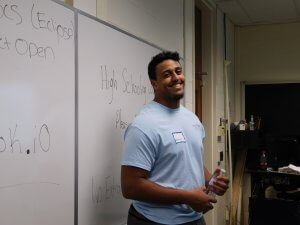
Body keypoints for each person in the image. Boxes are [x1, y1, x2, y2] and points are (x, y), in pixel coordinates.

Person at [121, 51, 229, 225]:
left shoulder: (192, 119)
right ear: (154, 84)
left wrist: (211, 181)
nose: (176, 77)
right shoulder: (143, 126)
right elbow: (130, 186)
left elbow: (189, 161)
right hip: (154, 221)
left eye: (178, 71)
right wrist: (187, 197)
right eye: (167, 74)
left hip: (194, 219)